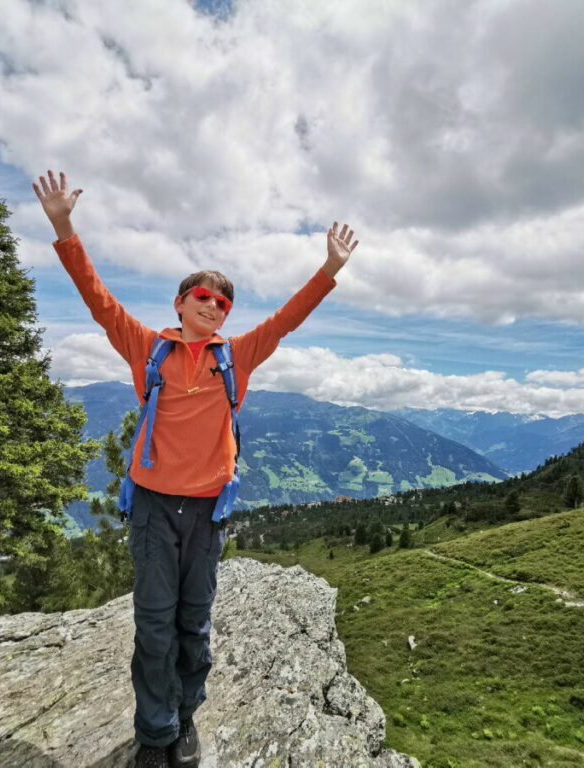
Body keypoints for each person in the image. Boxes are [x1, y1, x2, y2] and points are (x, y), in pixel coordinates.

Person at [33, 170, 358, 768]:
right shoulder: (145, 347)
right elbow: (97, 297)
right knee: (154, 625)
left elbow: (288, 318)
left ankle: (184, 722)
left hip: (209, 512)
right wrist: (63, 227)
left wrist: (329, 269)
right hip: (155, 511)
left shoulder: (236, 356)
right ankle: (155, 736)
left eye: (222, 302)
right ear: (180, 303)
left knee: (193, 625)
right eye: (202, 297)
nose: (213, 306)